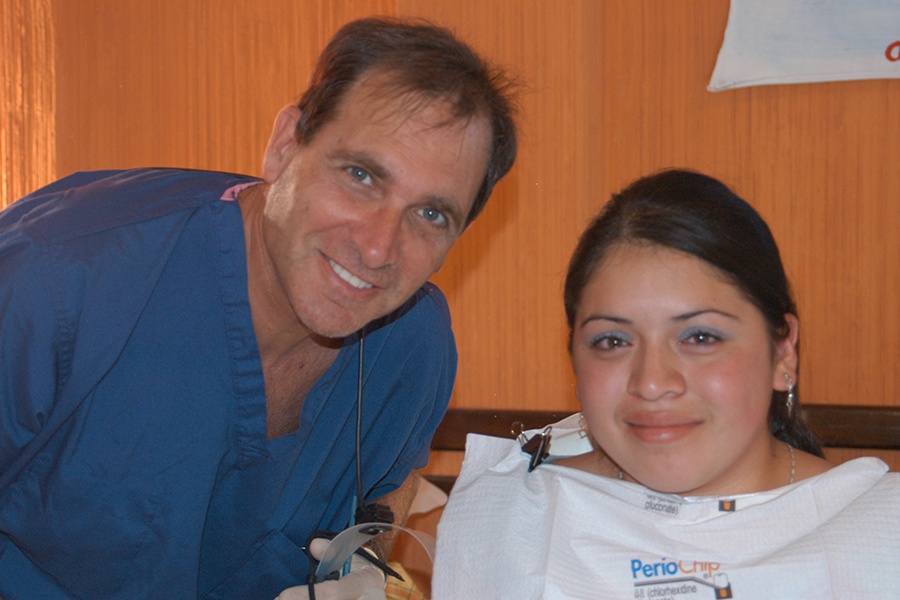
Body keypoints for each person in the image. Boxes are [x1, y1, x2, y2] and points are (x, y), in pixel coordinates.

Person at [0, 17, 517, 599]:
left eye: (430, 215)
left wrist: (363, 564)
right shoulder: (54, 277)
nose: (378, 247)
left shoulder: (411, 346)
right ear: (284, 146)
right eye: (360, 175)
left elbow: (384, 488)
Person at [432, 169, 899, 599]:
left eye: (700, 337)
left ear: (783, 352)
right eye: (612, 340)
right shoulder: (509, 520)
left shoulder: (880, 528)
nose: (652, 383)